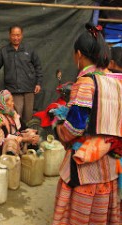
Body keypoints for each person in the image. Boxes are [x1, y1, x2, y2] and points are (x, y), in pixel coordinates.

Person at [52, 23, 122, 224]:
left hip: (84, 164)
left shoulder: (85, 83)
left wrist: (58, 129)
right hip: (108, 161)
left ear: (79, 54)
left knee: (79, 215)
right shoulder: (116, 82)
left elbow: (74, 127)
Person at [0, 25, 43, 124]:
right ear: (9, 35)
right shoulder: (4, 51)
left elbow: (38, 67)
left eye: (18, 35)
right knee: (16, 116)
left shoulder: (29, 50)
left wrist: (38, 83)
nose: (16, 38)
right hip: (13, 90)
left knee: (28, 117)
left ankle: (27, 138)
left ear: (22, 35)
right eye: (13, 35)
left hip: (29, 89)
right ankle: (17, 137)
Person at [0, 90, 40, 155]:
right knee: (11, 144)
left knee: (32, 135)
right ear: (4, 103)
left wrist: (31, 134)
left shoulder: (12, 113)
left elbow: (23, 127)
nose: (13, 103)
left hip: (16, 135)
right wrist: (24, 139)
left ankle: (33, 159)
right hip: (5, 142)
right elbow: (5, 136)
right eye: (11, 101)